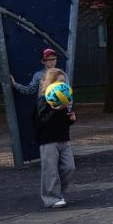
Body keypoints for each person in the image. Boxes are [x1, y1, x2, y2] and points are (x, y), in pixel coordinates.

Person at [35, 68, 76, 207]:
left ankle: (58, 193)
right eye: (60, 82)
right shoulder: (43, 100)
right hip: (48, 140)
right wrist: (54, 110)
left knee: (69, 167)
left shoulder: (64, 99)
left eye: (64, 82)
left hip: (64, 138)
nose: (63, 84)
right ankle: (51, 198)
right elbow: (42, 122)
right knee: (50, 170)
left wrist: (71, 119)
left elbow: (64, 121)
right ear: (51, 83)